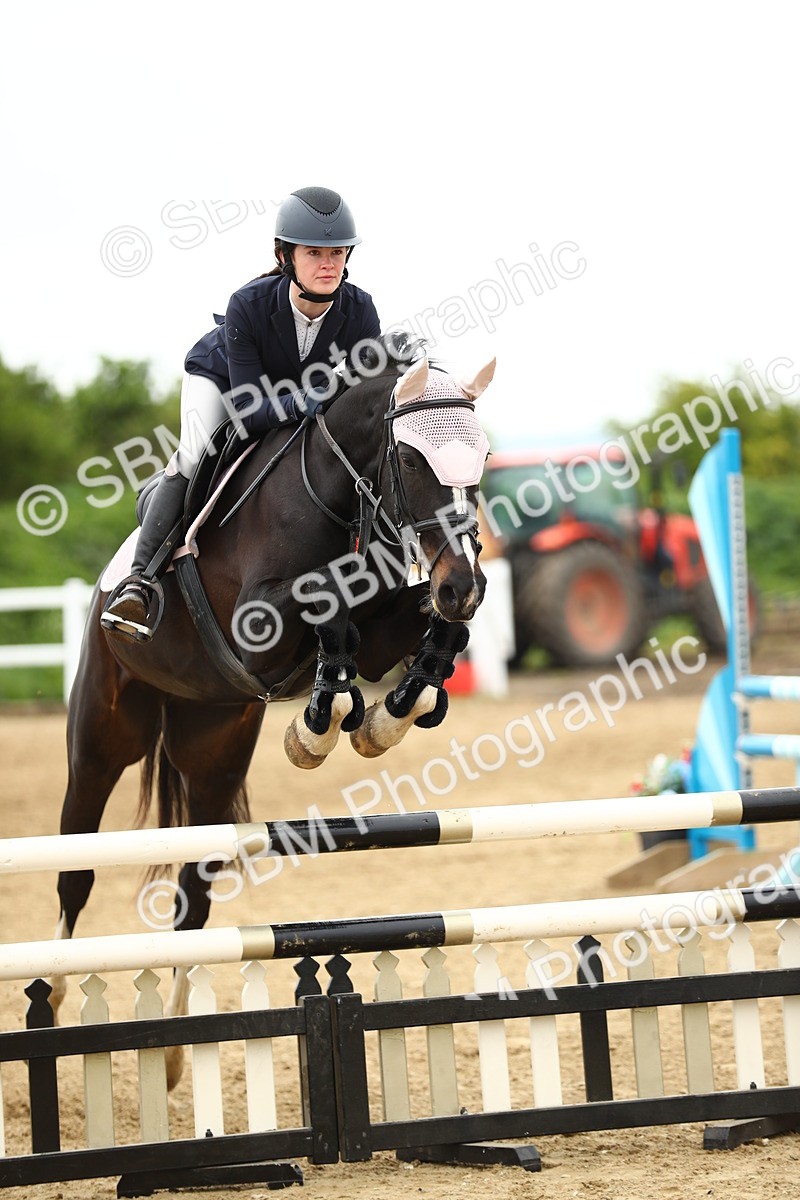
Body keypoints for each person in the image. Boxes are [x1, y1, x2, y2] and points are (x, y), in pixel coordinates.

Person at [101, 186, 381, 641]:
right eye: (314, 252)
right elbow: (248, 411)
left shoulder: (361, 311)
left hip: (295, 397)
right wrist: (299, 402)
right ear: (285, 255)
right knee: (196, 453)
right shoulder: (248, 304)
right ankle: (140, 582)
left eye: (337, 252)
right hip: (224, 381)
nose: (329, 263)